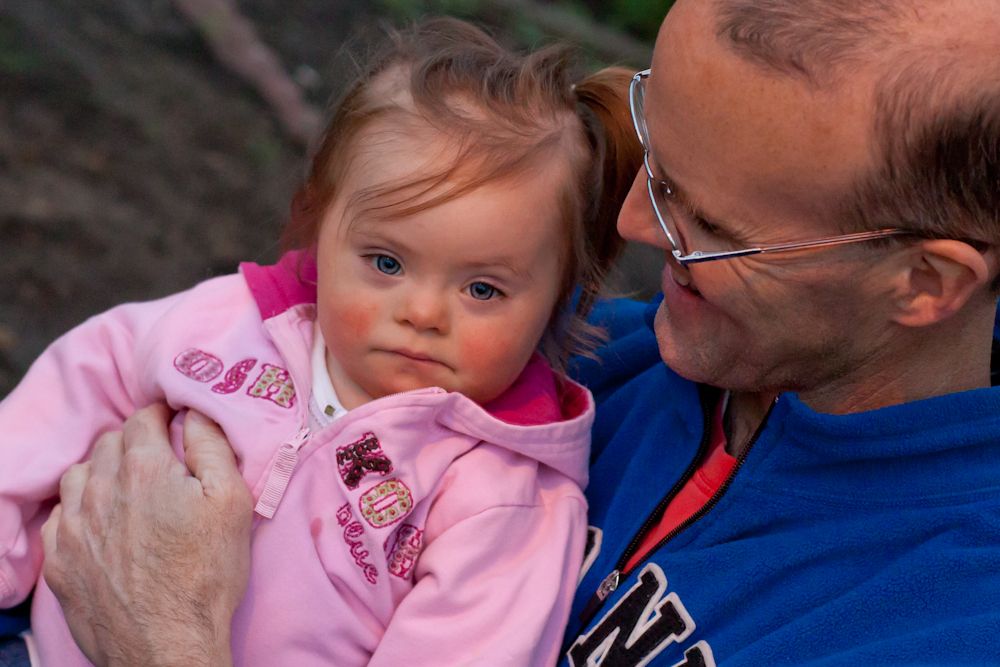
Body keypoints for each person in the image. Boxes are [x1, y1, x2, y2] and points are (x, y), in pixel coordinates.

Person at [18, 0, 1000, 664]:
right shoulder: (602, 363)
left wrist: (165, 637)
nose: (627, 236)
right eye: (657, 171)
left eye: (706, 231)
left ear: (923, 282)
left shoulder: (944, 620)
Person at [0, 18, 642, 667]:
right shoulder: (232, 322)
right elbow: (76, 388)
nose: (422, 312)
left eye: (482, 289)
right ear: (320, 222)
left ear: (559, 296)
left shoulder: (501, 504)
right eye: (387, 262)